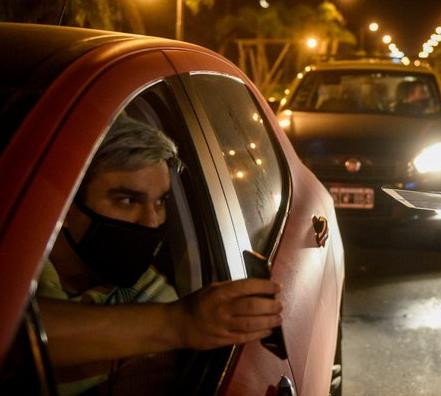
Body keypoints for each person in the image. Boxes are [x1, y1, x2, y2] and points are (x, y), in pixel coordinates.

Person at [37, 115, 283, 394]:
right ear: (65, 205)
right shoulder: (14, 269)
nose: (152, 222)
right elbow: (19, 331)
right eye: (127, 200)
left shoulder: (150, 294)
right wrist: (177, 323)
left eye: (161, 202)